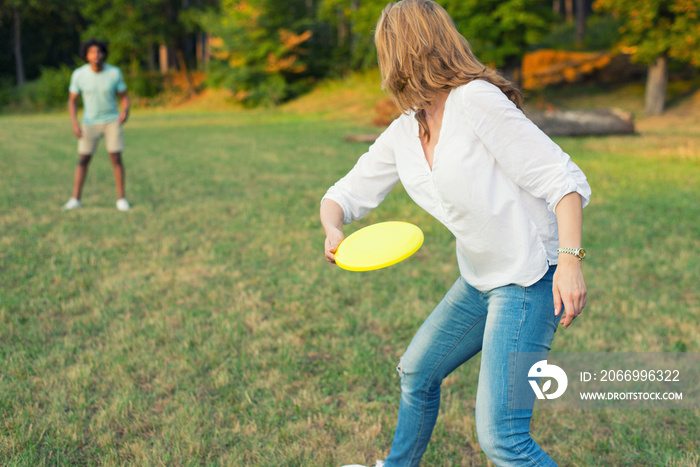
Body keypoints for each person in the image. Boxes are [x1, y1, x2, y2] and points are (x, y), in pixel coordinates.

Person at [319, 1, 591, 466]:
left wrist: (569, 261)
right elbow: (342, 193)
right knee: (417, 372)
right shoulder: (407, 129)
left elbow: (562, 180)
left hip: (528, 279)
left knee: (502, 438)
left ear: (406, 49)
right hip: (479, 279)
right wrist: (333, 226)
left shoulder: (474, 101)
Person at [63, 38, 131, 211]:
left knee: (116, 157)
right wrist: (74, 123)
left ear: (104, 54)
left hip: (111, 121)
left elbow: (124, 95)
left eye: (99, 52)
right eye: (92, 52)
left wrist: (126, 110)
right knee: (83, 159)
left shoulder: (114, 73)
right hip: (89, 122)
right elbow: (72, 101)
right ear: (86, 55)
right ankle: (75, 199)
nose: (96, 55)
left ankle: (121, 199)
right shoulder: (79, 75)